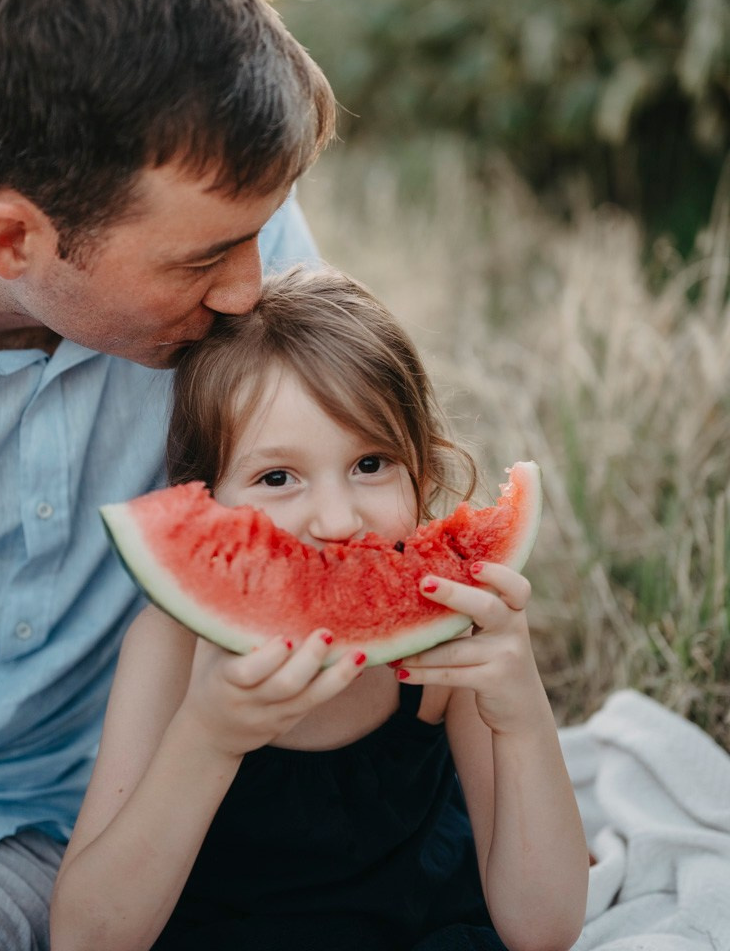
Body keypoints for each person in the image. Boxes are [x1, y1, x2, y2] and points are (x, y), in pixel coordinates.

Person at [0, 0, 333, 949]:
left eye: (259, 237)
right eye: (203, 262)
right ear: (17, 242)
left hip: (68, 829)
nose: (253, 291)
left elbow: (351, 469)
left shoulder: (238, 235)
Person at [50, 267, 589, 951]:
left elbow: (544, 929)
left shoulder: (452, 642)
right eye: (277, 478)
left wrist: (521, 715)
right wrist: (209, 735)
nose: (337, 519)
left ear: (424, 470)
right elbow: (85, 939)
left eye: (371, 463)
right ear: (206, 502)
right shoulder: (168, 651)